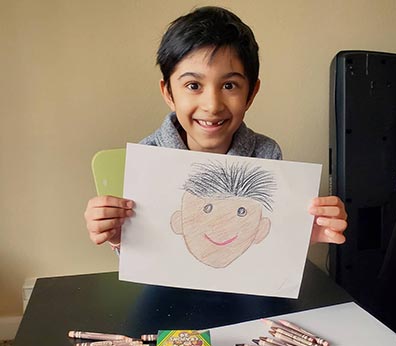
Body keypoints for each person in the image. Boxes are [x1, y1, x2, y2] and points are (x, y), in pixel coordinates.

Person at [84, 6, 347, 251]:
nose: (212, 105)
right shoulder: (147, 158)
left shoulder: (266, 154)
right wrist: (119, 236)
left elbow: (265, 247)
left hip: (243, 293)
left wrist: (301, 232)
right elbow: (149, 256)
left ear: (251, 93)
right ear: (168, 92)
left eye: (229, 85)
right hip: (166, 294)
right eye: (193, 86)